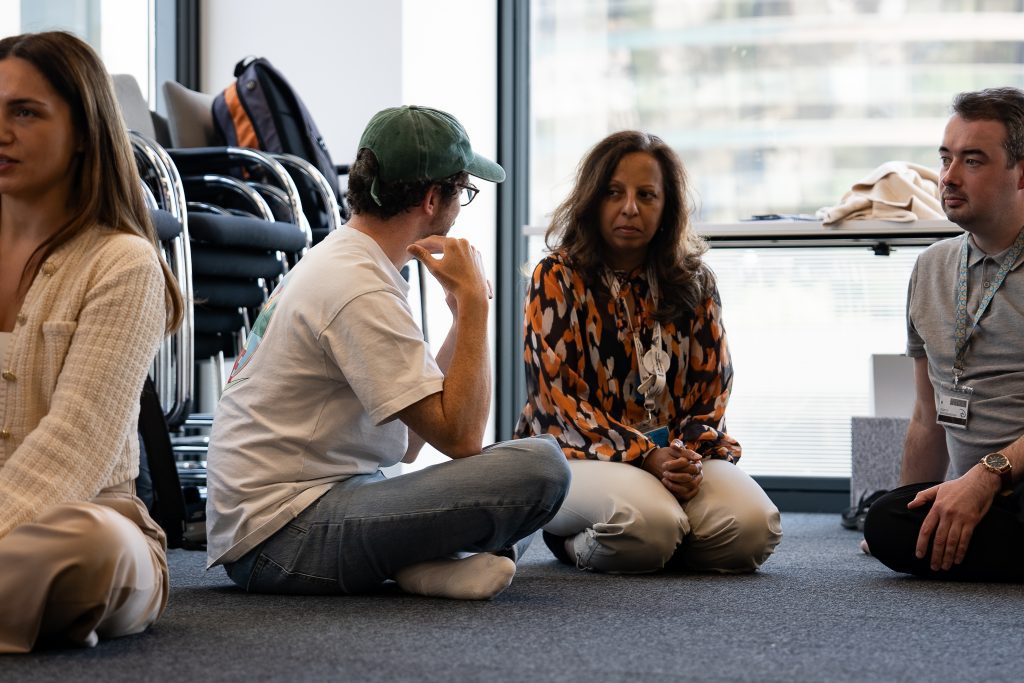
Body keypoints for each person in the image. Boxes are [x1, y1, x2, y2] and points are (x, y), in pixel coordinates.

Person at [205, 105, 570, 600]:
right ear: (431, 198)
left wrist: (466, 312)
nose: (461, 206)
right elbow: (462, 440)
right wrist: (474, 308)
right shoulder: (359, 287)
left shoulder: (354, 262)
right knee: (541, 468)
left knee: (529, 469)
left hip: (320, 504)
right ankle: (437, 560)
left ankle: (425, 566)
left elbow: (415, 440)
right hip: (279, 536)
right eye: (463, 192)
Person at [514, 131, 781, 573]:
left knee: (752, 529)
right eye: (614, 193)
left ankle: (658, 541)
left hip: (672, 452)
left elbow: (712, 390)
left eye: (647, 195)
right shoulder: (556, 278)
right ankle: (573, 540)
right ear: (592, 200)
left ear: (667, 207)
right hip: (575, 455)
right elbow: (561, 404)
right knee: (647, 526)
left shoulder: (695, 281)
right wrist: (644, 455)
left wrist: (683, 455)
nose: (630, 208)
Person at [0, 31, 184, 652]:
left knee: (89, 550)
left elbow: (75, 446)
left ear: (83, 129)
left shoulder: (121, 263)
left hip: (84, 516)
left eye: (23, 112)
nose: (1, 130)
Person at [864, 88, 1024, 581]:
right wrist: (917, 507)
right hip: (982, 497)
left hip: (1002, 481)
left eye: (972, 160)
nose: (948, 177)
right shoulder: (931, 267)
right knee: (886, 520)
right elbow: (925, 414)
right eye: (945, 158)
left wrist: (986, 476)